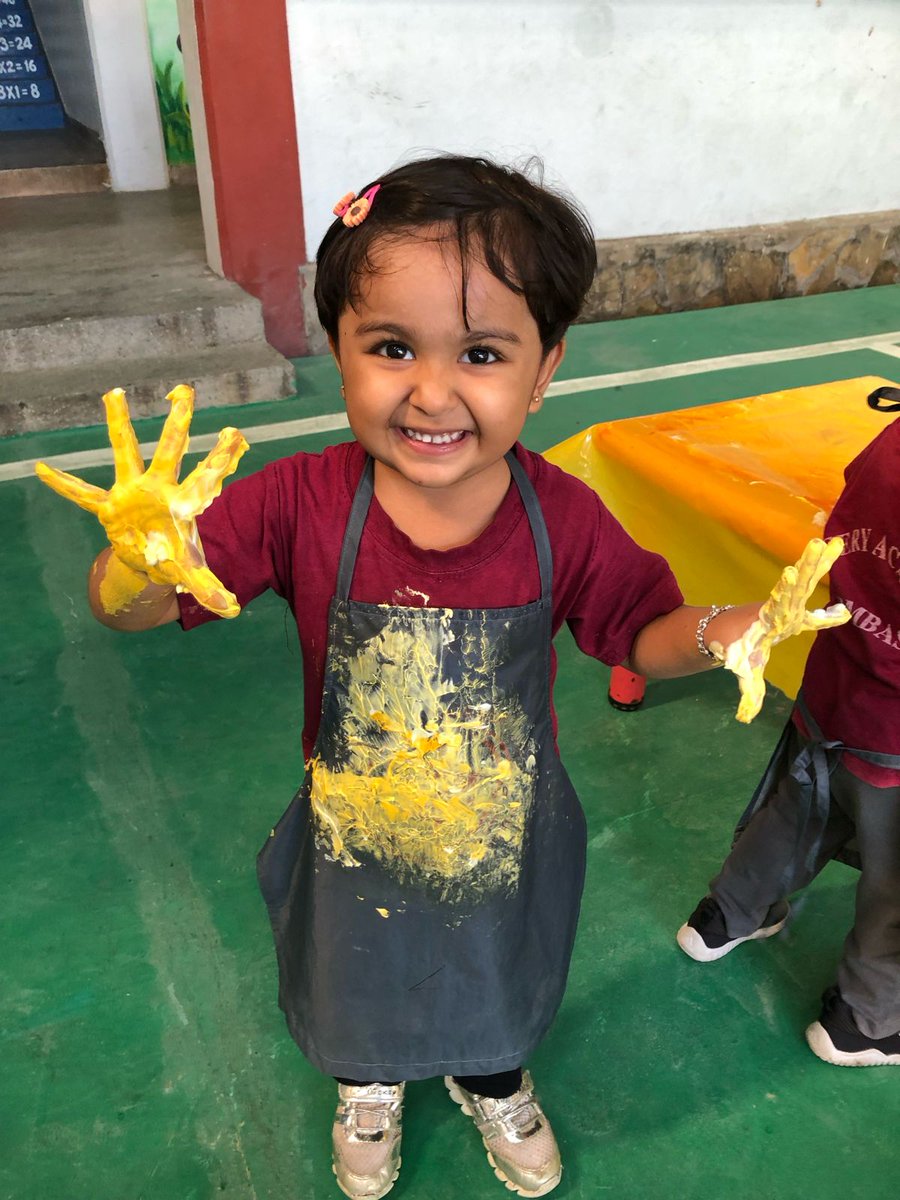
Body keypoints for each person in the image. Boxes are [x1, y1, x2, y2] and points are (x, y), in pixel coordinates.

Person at [34, 154, 843, 1200]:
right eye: (389, 346)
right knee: (355, 980)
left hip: (504, 830)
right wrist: (137, 563)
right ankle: (367, 1083)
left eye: (482, 352)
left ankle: (493, 1075)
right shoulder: (296, 505)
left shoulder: (564, 520)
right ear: (339, 348)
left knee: (495, 977)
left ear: (545, 367)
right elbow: (131, 611)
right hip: (355, 826)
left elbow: (639, 629)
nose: (430, 390)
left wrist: (725, 630)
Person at [677, 385, 900, 1069]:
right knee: (895, 888)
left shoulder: (887, 448)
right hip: (894, 743)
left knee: (798, 812)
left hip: (835, 691)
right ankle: (864, 1021)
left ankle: (726, 915)